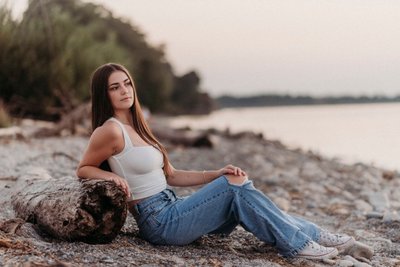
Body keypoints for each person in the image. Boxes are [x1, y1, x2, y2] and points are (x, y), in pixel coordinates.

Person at [76, 63, 355, 260]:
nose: (125, 90)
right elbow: (83, 168)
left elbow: (171, 175)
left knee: (239, 190)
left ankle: (312, 234)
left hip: (174, 207)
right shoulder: (110, 130)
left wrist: (216, 173)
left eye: (127, 83)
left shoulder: (139, 126)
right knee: (236, 187)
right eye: (115, 87)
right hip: (159, 223)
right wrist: (111, 177)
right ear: (105, 94)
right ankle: (299, 243)